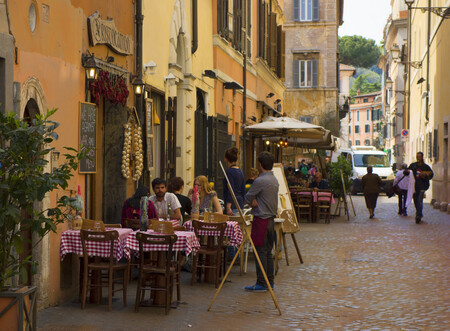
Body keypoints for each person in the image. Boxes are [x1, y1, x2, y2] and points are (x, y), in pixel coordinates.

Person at [244, 151, 279, 292]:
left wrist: (253, 200)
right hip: (271, 219)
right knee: (268, 252)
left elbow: (247, 197)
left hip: (261, 220)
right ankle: (269, 281)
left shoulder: (260, 180)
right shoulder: (274, 179)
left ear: (260, 165)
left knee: (260, 252)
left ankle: (261, 282)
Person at [408, 152, 434, 223]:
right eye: (417, 156)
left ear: (422, 157)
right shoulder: (413, 166)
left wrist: (425, 175)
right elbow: (408, 172)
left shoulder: (426, 167)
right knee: (416, 200)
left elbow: (431, 175)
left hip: (422, 186)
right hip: (414, 186)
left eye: (419, 157)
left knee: (419, 200)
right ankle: (419, 212)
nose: (418, 158)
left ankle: (418, 215)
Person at [223, 147, 246, 216]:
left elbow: (231, 190)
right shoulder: (240, 172)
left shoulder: (229, 172)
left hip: (232, 206)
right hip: (240, 204)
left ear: (226, 159)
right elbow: (243, 190)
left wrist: (228, 207)